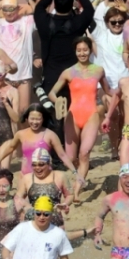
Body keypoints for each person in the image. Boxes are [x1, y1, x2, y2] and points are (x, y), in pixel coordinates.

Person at [47, 37, 109, 200]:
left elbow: (108, 90)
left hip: (91, 115)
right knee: (72, 158)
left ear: (90, 51)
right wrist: (58, 101)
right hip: (72, 116)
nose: (82, 53)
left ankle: (76, 190)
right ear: (75, 52)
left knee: (84, 153)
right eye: (79, 50)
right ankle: (80, 178)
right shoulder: (68, 72)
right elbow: (52, 92)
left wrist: (119, 96)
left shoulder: (98, 70)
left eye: (85, 50)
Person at [33, 0, 94, 95]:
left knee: (52, 109)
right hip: (74, 75)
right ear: (72, 5)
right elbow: (89, 9)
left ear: (54, 4)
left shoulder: (44, 23)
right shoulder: (77, 24)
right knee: (73, 110)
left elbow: (39, 6)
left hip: (50, 75)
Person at [0, 104, 77, 176]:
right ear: (27, 118)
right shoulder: (20, 134)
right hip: (25, 176)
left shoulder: (50, 135)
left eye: (38, 119)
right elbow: (11, 147)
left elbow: (62, 154)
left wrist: (75, 172)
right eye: (32, 119)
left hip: (44, 177)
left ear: (43, 119)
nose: (35, 122)